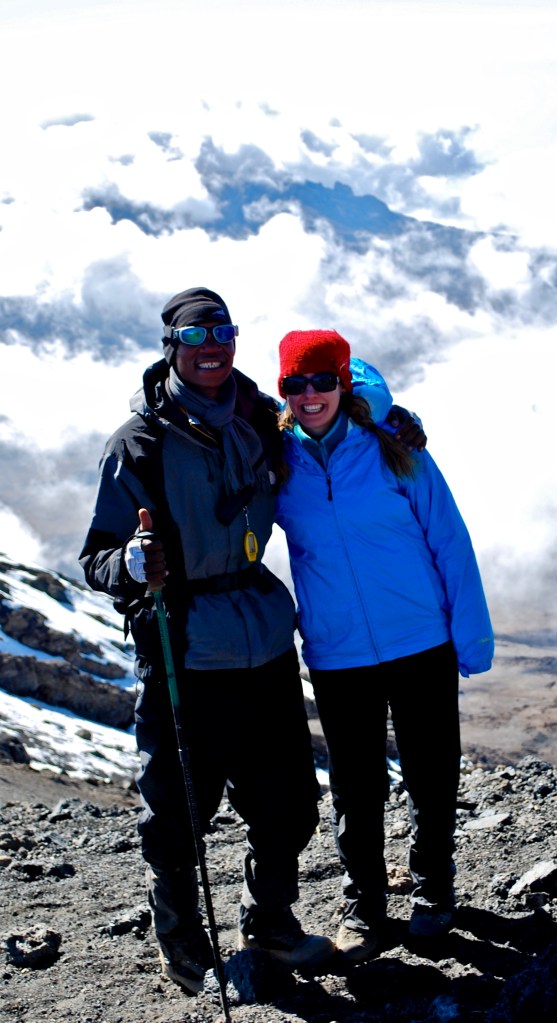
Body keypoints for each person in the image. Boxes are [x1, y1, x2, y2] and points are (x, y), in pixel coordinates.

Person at [79, 288, 424, 994]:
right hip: (183, 645)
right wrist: (132, 565)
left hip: (262, 640)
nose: (211, 346)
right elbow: (97, 558)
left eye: (223, 332)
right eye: (195, 334)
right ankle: (183, 944)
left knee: (289, 800)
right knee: (179, 810)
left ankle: (269, 924)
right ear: (170, 346)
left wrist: (391, 420)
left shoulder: (260, 416)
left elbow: (330, 414)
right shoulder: (139, 443)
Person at [274, 329, 494, 962]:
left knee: (432, 772)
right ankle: (365, 905)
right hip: (338, 651)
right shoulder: (276, 460)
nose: (310, 394)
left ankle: (434, 890)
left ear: (343, 383)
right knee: (356, 786)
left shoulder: (396, 447)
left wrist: (471, 635)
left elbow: (450, 541)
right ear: (283, 391)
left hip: (420, 638)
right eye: (295, 383)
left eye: (322, 380)